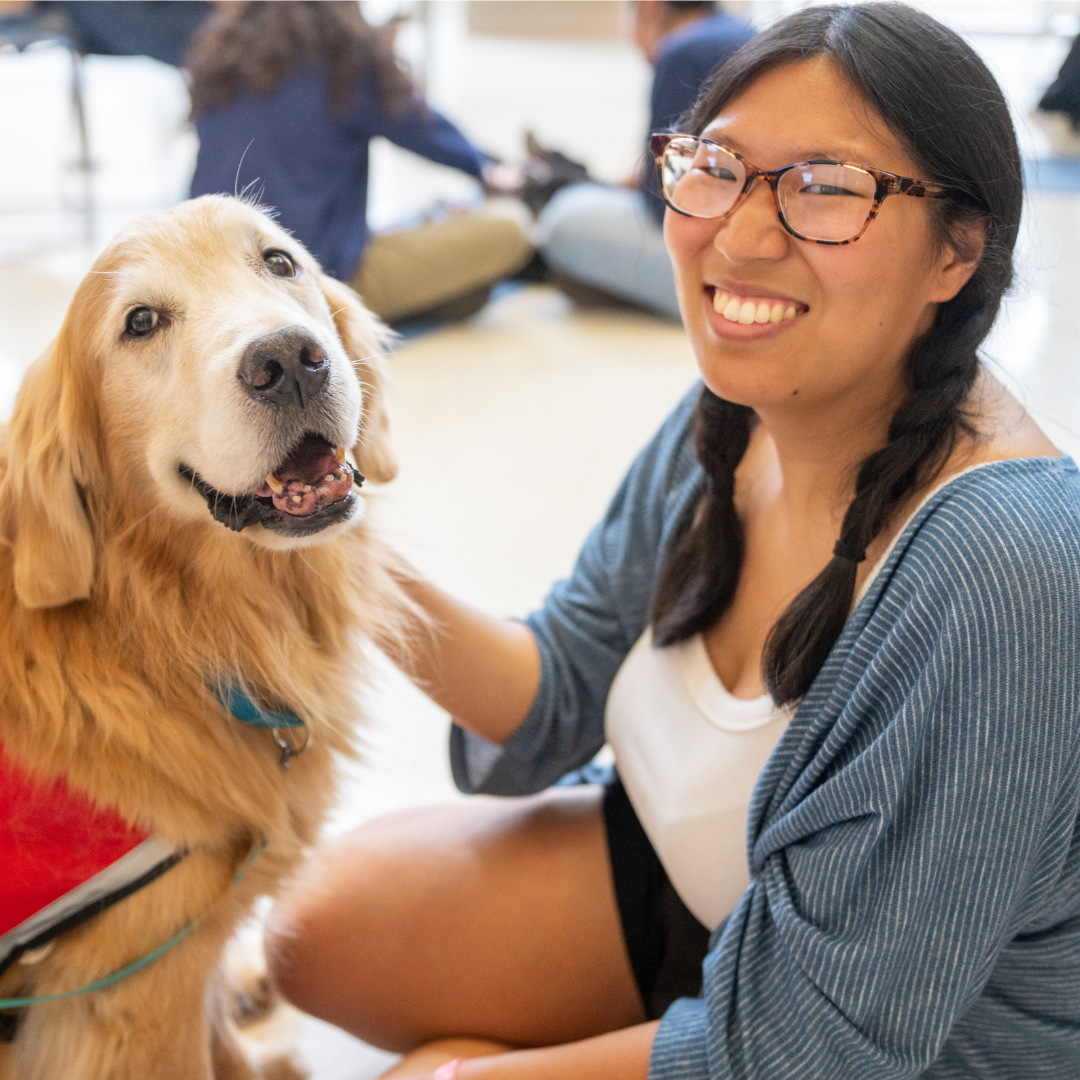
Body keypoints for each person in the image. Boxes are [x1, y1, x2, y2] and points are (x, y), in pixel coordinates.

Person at [265, 4, 1080, 1079]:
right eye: (719, 166)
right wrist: (327, 539)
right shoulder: (742, 409)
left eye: (825, 189)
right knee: (308, 931)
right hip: (705, 898)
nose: (740, 235)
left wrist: (456, 1076)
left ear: (956, 253)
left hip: (896, 1046)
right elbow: (558, 681)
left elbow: (805, 1050)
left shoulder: (1000, 567)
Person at [186, 2, 533, 325]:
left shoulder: (219, 58)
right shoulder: (344, 57)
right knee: (511, 226)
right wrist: (488, 167)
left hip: (213, 286)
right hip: (314, 288)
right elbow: (425, 128)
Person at [539, 1, 753, 319]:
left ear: (648, 6)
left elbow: (661, 201)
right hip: (756, 229)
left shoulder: (681, 52)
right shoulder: (745, 33)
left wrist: (638, 183)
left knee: (566, 216)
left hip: (725, 257)